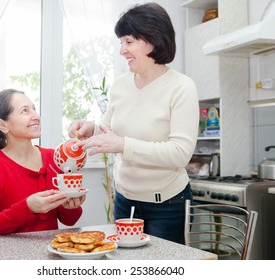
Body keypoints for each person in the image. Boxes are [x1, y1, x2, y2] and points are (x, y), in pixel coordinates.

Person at [68, 2, 199, 243]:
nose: (122, 50)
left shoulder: (181, 87)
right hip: (124, 200)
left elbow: (180, 154)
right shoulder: (120, 84)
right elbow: (110, 129)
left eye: (128, 42)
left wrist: (123, 145)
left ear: (152, 40)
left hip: (167, 204)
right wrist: (91, 128)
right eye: (121, 42)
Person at [0, 89, 86, 236]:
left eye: (34, 109)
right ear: (3, 125)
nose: (36, 116)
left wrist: (71, 206)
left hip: (52, 251)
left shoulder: (55, 158)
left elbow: (69, 221)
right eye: (25, 111)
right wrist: (28, 208)